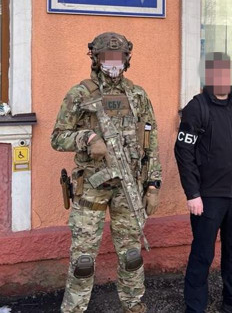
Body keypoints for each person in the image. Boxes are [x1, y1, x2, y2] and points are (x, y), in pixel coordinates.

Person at [51, 32, 162, 313]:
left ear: (126, 60)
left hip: (129, 186)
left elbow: (151, 143)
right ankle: (74, 309)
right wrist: (87, 138)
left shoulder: (137, 96)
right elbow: (57, 137)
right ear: (96, 59)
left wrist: (153, 185)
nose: (113, 63)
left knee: (132, 255)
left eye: (118, 57)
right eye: (106, 57)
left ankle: (133, 304)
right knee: (84, 259)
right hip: (92, 186)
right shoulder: (80, 95)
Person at [174, 52, 232, 313]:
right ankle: (195, 306)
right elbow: (183, 152)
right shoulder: (197, 108)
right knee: (202, 254)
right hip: (207, 197)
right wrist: (192, 193)